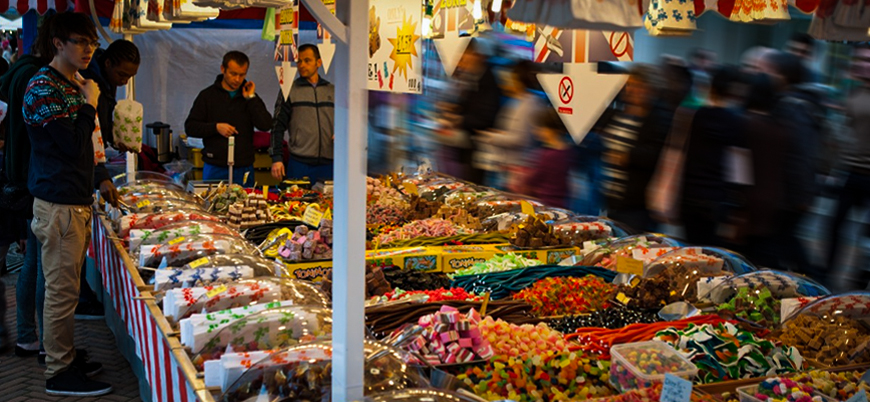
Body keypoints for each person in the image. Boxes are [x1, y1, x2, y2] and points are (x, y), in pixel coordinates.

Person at [23, 12, 112, 396]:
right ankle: (59, 371)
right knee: (60, 293)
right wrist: (90, 103)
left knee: (67, 290)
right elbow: (72, 145)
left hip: (72, 201)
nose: (88, 49)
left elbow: (86, 146)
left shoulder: (71, 83)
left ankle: (64, 354)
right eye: (80, 41)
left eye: (92, 42)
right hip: (58, 203)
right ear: (58, 43)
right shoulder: (43, 87)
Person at [2, 13, 54, 359]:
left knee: (34, 261)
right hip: (32, 180)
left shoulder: (18, 72)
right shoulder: (35, 77)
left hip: (20, 177)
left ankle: (27, 336)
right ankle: (40, 341)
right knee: (38, 263)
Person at [761, 50, 824, 278]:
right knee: (782, 241)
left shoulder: (793, 107)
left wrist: (800, 195)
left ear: (782, 75)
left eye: (767, 70)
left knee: (783, 241)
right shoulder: (795, 104)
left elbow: (800, 153)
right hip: (792, 189)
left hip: (791, 191)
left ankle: (813, 281)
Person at [679, 66, 747, 247]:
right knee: (713, 251)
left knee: (691, 248)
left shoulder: (695, 115)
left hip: (690, 194)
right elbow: (739, 171)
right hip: (717, 198)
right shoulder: (736, 121)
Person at [185, 51, 272, 186]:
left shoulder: (250, 97)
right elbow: (190, 127)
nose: (237, 79)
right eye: (233, 74)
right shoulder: (207, 96)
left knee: (245, 200)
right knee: (213, 199)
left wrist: (251, 98)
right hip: (215, 165)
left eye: (242, 75)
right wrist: (216, 128)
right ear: (223, 69)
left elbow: (266, 125)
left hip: (243, 166)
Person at [826, 44, 870, 290]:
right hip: (851, 172)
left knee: (866, 235)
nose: (862, 65)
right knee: (834, 225)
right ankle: (827, 278)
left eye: (867, 60)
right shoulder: (852, 94)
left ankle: (860, 281)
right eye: (859, 60)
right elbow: (845, 133)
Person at [435, 38, 502, 184]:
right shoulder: (473, 78)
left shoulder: (487, 80)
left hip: (479, 148)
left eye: (463, 58)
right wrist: (455, 109)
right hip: (467, 146)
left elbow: (486, 115)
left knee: (472, 186)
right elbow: (470, 106)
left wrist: (460, 119)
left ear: (476, 55)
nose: (460, 64)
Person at [601, 64, 658, 231]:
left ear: (650, 89)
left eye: (638, 86)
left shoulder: (656, 119)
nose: (632, 90)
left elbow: (656, 155)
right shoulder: (616, 114)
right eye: (629, 85)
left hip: (635, 204)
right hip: (608, 197)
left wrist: (627, 156)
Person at [270, 44, 335, 183]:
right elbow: (277, 126)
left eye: (307, 60)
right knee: (296, 197)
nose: (302, 65)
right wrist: (276, 158)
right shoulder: (289, 90)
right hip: (299, 163)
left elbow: (348, 121)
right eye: (299, 61)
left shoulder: (332, 90)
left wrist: (342, 132)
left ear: (318, 62)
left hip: (330, 163)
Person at [474, 60, 542, 193]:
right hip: (510, 167)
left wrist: (491, 137)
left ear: (518, 80)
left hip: (518, 169)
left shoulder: (528, 105)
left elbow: (521, 139)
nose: (504, 83)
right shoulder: (519, 102)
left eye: (508, 79)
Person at [80, 39, 140, 152]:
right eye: (121, 75)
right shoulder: (86, 80)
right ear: (108, 63)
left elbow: (103, 120)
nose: (125, 81)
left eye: (130, 76)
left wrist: (118, 138)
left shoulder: (108, 79)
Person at [523, 105, 574, 208]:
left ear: (551, 131)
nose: (535, 131)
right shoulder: (568, 151)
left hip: (546, 203)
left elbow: (534, 179)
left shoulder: (549, 155)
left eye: (540, 128)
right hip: (562, 202)